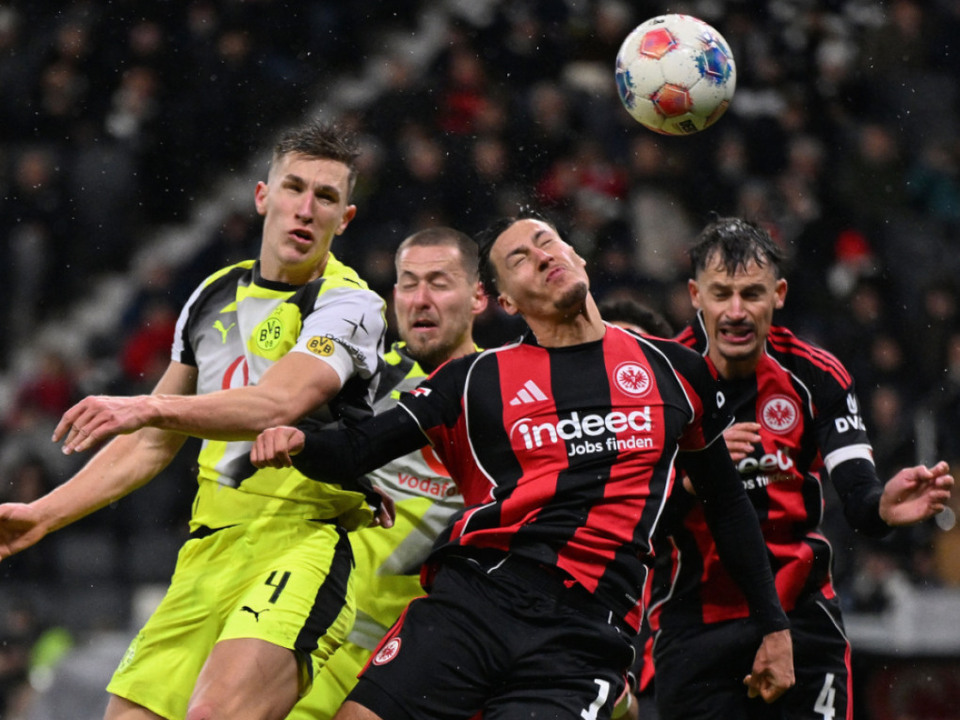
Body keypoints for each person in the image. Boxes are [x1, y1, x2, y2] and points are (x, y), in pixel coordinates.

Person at [251, 213, 795, 720]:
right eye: (519, 259)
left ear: (578, 257)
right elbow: (357, 448)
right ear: (506, 301)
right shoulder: (474, 379)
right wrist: (295, 440)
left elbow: (727, 503)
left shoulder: (677, 370)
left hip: (585, 635)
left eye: (547, 242)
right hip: (475, 602)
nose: (541, 256)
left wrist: (774, 627)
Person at [0, 119, 389, 720]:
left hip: (302, 542)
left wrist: (147, 405)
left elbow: (276, 404)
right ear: (262, 196)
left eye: (326, 197)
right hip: (207, 549)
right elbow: (152, 445)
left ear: (345, 219)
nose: (306, 208)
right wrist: (43, 515)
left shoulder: (350, 305)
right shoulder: (213, 295)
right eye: (294, 188)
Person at [647, 216, 954, 720]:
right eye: (721, 294)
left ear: (780, 294)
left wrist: (882, 506)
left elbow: (858, 494)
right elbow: (637, 520)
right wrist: (697, 476)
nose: (736, 311)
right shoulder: (656, 382)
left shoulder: (817, 374)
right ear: (695, 295)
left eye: (752, 293)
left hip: (803, 620)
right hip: (698, 627)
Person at [288, 226, 486, 719]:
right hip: (326, 636)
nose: (420, 299)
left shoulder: (507, 394)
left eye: (439, 283)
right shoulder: (358, 381)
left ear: (478, 297)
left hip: (432, 658)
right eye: (408, 284)